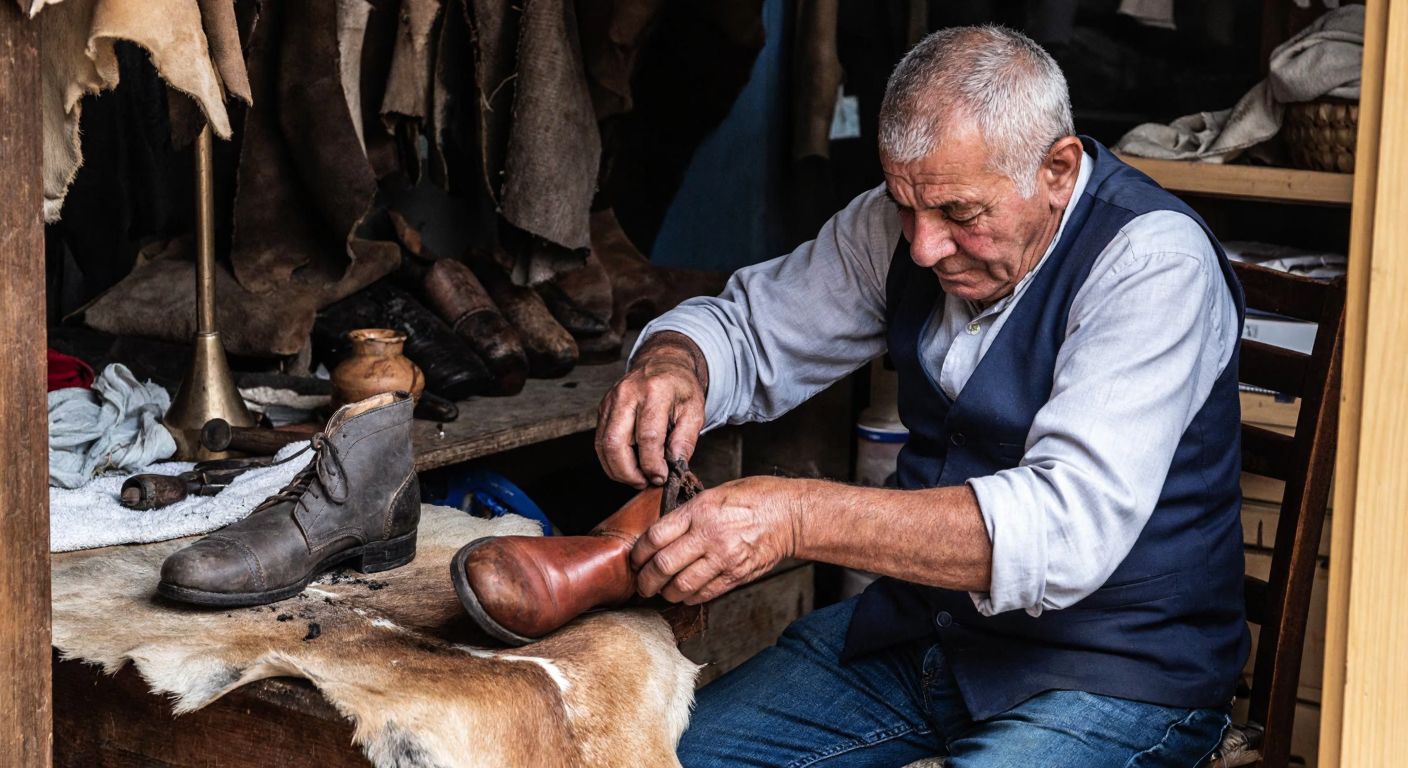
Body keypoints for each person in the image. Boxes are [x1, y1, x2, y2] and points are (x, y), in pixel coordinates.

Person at [595, 25, 1248, 768]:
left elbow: (1062, 531)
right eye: (907, 205)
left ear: (1059, 170)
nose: (922, 246)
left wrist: (794, 516)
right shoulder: (907, 218)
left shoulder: (1153, 263)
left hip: (1117, 676)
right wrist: (677, 361)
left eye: (960, 215)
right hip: (927, 642)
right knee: (652, 756)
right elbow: (750, 328)